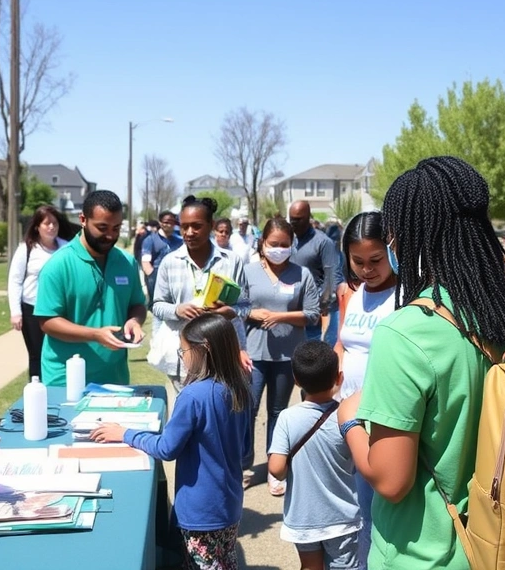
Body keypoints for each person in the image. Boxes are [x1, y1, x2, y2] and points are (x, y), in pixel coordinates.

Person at [337, 157, 505, 570]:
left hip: (425, 554)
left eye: (394, 235)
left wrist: (349, 419)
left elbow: (391, 481)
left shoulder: (406, 333)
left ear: (410, 235)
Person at [91, 314, 251, 570]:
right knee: (225, 560)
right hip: (229, 504)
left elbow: (166, 448)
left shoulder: (192, 396)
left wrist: (125, 434)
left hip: (201, 509)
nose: (182, 356)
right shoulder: (239, 387)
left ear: (203, 350)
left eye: (184, 350)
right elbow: (244, 448)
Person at [333, 211, 397, 568]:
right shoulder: (353, 294)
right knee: (359, 507)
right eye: (358, 261)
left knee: (375, 509)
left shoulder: (404, 296)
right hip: (348, 414)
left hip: (381, 416)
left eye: (375, 260)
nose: (367, 269)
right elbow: (344, 344)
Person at [241, 217, 321, 495]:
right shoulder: (248, 272)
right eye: (273, 244)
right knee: (248, 410)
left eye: (284, 245)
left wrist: (281, 316)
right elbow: (235, 307)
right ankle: (245, 464)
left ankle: (276, 469)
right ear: (262, 244)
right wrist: (252, 312)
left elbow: (312, 315)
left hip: (288, 356)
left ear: (292, 245)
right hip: (253, 354)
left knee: (277, 412)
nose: (279, 249)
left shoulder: (302, 275)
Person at [35, 190, 147, 387]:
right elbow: (47, 321)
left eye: (116, 228)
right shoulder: (58, 265)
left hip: (115, 377)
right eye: (102, 227)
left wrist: (134, 321)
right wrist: (95, 334)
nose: (110, 235)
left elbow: (137, 304)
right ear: (83, 220)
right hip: (65, 380)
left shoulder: (127, 263)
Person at [269, 340, 361, 570]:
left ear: (296, 380)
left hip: (304, 517)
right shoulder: (346, 415)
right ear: (339, 379)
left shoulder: (288, 418)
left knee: (310, 567)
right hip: (343, 517)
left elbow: (276, 469)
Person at [150, 196, 250, 391]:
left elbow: (246, 307)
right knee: (189, 414)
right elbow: (157, 306)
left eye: (196, 226)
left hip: (222, 357)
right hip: (184, 358)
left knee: (219, 414)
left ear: (211, 225)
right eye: (184, 226)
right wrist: (177, 310)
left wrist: (229, 312)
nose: (189, 233)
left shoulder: (231, 261)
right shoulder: (170, 262)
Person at [7, 205, 75, 379]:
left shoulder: (66, 248)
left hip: (59, 310)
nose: (51, 227)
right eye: (47, 223)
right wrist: (16, 312)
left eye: (54, 223)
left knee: (61, 352)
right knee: (36, 354)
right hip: (33, 309)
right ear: (37, 226)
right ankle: (36, 390)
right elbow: (15, 280)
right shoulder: (27, 249)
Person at [288, 201, 340, 346]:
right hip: (290, 311)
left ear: (308, 217)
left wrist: (321, 304)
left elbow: (331, 277)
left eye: (298, 219)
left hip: (312, 315)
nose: (294, 223)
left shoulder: (323, 242)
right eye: (291, 219)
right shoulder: (290, 241)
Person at [141, 211, 183, 302]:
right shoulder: (150, 240)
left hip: (175, 277)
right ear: (160, 222)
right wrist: (153, 277)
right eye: (166, 222)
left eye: (172, 222)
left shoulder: (179, 241)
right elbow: (145, 262)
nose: (169, 225)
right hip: (156, 277)